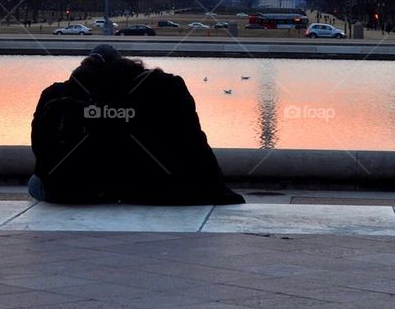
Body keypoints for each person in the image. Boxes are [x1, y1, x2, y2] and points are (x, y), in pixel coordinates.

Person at [29, 44, 244, 206]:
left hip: (64, 188)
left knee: (34, 183)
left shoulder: (55, 96)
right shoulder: (161, 89)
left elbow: (39, 149)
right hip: (194, 185)